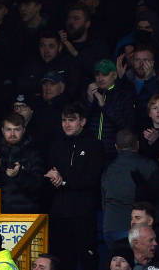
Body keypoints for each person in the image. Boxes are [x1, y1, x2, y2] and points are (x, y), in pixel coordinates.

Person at [46, 104, 104, 270]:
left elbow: (91, 178)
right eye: (64, 120)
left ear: (83, 121)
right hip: (59, 214)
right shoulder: (56, 145)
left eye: (72, 120)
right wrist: (53, 178)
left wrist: (63, 181)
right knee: (62, 261)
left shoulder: (94, 145)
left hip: (83, 215)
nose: (67, 124)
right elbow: (50, 174)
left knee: (88, 260)